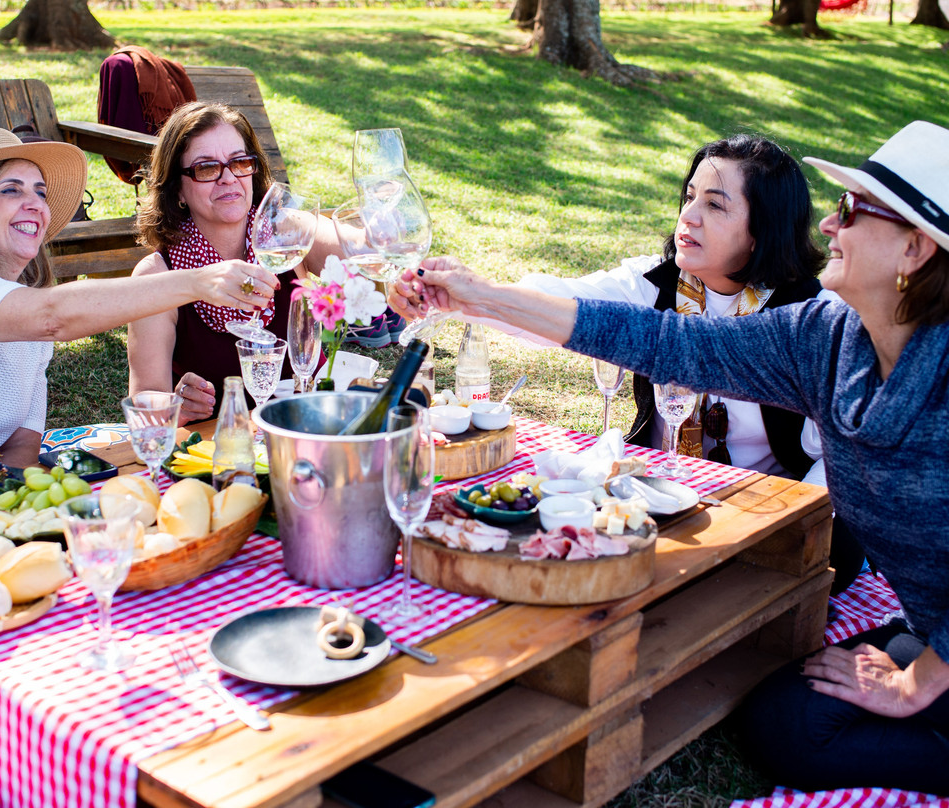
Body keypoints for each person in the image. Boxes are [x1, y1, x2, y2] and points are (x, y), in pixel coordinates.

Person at [392, 120, 949, 794]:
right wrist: (479, 296)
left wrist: (921, 680)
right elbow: (667, 343)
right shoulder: (828, 338)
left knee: (813, 733)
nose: (830, 226)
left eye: (854, 210)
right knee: (784, 725)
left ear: (915, 249)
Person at [468, 134, 863, 592]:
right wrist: (465, 296)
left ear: (763, 230)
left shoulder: (809, 318)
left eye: (715, 206)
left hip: (762, 522)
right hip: (651, 504)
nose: (688, 216)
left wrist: (781, 533)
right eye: (689, 196)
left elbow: (831, 468)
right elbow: (556, 307)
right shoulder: (654, 282)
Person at [0, 127, 260, 501]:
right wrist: (198, 282)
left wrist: (6, 499)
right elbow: (53, 316)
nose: (36, 203)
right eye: (11, 190)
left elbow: (23, 441)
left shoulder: (25, 304)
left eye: (40, 192)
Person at [127, 101, 342, 423]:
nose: (228, 178)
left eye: (240, 162)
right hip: (219, 451)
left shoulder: (287, 236)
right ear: (177, 191)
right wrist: (174, 404)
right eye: (206, 168)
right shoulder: (156, 275)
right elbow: (144, 398)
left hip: (311, 426)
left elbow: (361, 251)